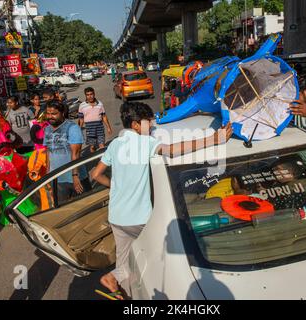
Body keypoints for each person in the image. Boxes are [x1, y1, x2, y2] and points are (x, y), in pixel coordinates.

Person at [91, 102, 232, 299]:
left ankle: (118, 286)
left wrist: (115, 186)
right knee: (158, 258)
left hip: (116, 215)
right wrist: (214, 139)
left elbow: (96, 174)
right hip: (139, 218)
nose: (152, 126)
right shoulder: (145, 142)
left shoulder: (115, 144)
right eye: (148, 122)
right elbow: (173, 150)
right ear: (136, 125)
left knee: (123, 261)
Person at [43, 101, 89, 202]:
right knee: (63, 210)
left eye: (54, 114)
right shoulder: (47, 130)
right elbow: (48, 152)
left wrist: (75, 176)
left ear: (62, 113)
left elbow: (75, 153)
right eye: (48, 113)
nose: (50, 116)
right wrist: (47, 174)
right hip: (57, 180)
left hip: (76, 178)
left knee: (84, 207)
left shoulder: (72, 128)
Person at [78, 87, 113, 152]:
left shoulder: (100, 104)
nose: (90, 96)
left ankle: (102, 160)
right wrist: (79, 130)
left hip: (100, 128)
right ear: (85, 95)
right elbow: (81, 119)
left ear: (94, 94)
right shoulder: (82, 105)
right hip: (89, 129)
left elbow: (104, 117)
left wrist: (108, 127)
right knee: (92, 147)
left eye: (91, 94)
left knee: (102, 146)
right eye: (87, 95)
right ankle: (94, 161)